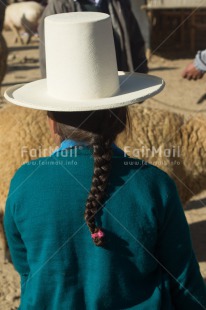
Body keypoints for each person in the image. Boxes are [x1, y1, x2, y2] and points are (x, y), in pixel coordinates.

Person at [3, 12, 206, 310]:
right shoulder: (155, 185)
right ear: (123, 118)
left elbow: (27, 271)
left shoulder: (24, 183)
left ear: (51, 122)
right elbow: (186, 286)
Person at [38, 0, 148, 78]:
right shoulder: (58, 7)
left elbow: (135, 41)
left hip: (118, 87)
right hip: (77, 95)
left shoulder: (118, 3)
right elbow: (47, 57)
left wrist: (140, 76)